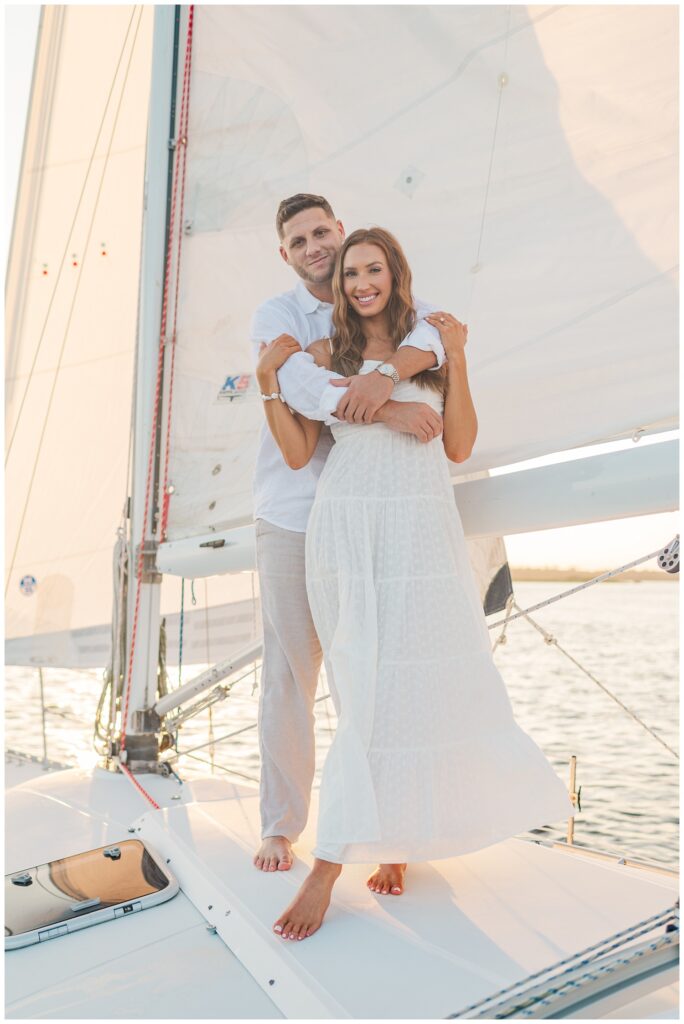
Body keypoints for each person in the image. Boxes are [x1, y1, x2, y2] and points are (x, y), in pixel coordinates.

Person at [261, 227, 575, 940]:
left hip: (422, 530)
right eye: (349, 274)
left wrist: (454, 357)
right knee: (362, 681)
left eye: (373, 269)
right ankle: (330, 862)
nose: (361, 283)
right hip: (349, 526)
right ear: (337, 287)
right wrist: (271, 385)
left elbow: (458, 443)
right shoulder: (323, 356)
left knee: (418, 683)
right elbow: (297, 446)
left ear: (395, 274)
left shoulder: (433, 345)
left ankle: (395, 838)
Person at [250, 195, 447, 874]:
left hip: (372, 513)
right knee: (290, 674)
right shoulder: (280, 320)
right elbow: (300, 388)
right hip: (292, 515)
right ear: (287, 253)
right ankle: (282, 825)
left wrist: (395, 376)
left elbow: (441, 336)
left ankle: (386, 830)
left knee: (373, 673)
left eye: (321, 232)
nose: (313, 245)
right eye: (298, 239)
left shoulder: (377, 302)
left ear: (341, 232)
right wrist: (384, 407)